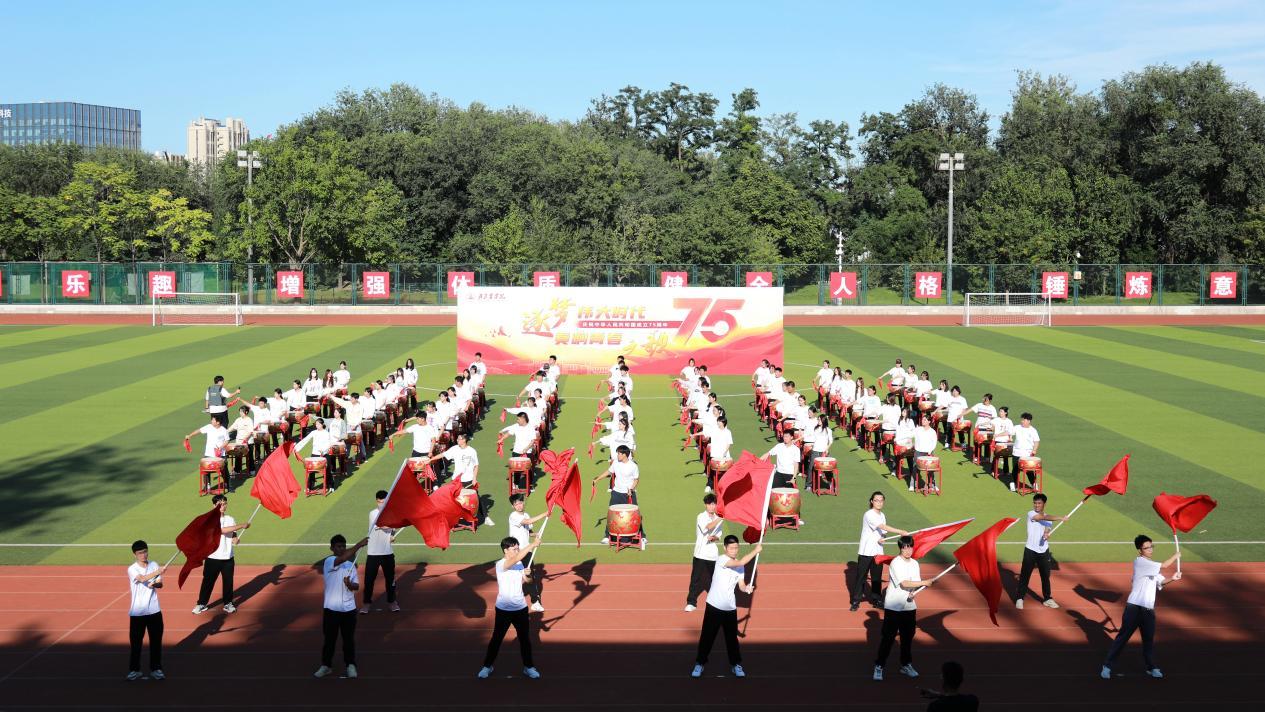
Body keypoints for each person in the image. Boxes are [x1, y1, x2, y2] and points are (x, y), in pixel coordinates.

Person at [1101, 535, 1182, 680]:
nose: (1150, 549)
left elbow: (1161, 582)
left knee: (1148, 640)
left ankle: (1151, 667)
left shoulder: (1151, 566)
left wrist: (1173, 579)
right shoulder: (1140, 562)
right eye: (1146, 547)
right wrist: (1175, 556)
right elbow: (1164, 565)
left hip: (1148, 610)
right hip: (1134, 608)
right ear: (1140, 550)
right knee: (1122, 638)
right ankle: (1107, 666)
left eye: (1151, 546)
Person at [690, 536, 760, 679]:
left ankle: (736, 664)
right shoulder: (721, 560)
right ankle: (700, 663)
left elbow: (741, 585)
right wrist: (755, 551)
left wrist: (746, 588)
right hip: (714, 606)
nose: (734, 550)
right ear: (725, 548)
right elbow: (741, 561)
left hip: (730, 608)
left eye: (736, 548)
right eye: (731, 548)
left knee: (731, 639)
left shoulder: (740, 567)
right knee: (707, 637)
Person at [872, 535, 938, 681]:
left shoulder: (914, 564)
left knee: (907, 638)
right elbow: (904, 583)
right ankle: (879, 665)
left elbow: (915, 584)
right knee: (888, 638)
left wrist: (925, 585)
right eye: (904, 548)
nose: (908, 551)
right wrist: (924, 582)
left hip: (909, 606)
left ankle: (906, 664)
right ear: (900, 548)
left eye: (910, 547)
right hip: (894, 606)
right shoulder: (896, 563)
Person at [478, 534, 543, 679]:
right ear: (505, 550)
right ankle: (487, 666)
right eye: (514, 549)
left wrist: (528, 575)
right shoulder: (501, 564)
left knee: (524, 640)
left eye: (518, 548)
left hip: (520, 608)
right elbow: (515, 559)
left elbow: (529, 581)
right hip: (503, 609)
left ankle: (528, 667)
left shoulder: (519, 564)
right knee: (497, 639)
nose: (517, 551)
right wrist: (532, 545)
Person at [315, 534, 368, 679]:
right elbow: (342, 558)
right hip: (331, 609)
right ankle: (326, 666)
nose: (342, 548)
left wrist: (350, 584)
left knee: (348, 640)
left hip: (349, 610)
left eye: (344, 546)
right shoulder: (329, 561)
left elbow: (356, 586)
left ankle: (350, 665)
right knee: (329, 640)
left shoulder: (351, 565)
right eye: (339, 546)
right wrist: (359, 544)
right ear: (332, 548)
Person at [192, 495, 250, 614]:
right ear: (214, 505)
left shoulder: (230, 519)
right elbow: (221, 530)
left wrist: (235, 540)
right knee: (208, 582)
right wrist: (241, 525)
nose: (223, 506)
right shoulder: (209, 519)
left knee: (228, 582)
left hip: (228, 557)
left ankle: (228, 603)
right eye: (220, 504)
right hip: (213, 557)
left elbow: (233, 535)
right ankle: (201, 603)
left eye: (224, 504)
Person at [851, 491, 909, 611]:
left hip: (878, 552)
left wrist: (883, 538)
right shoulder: (869, 514)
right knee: (861, 577)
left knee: (876, 577)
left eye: (881, 500)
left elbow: (883, 532)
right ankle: (856, 601)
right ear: (872, 501)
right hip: (866, 552)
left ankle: (876, 600)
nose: (879, 502)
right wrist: (900, 532)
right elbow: (882, 526)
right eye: (876, 500)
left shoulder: (882, 515)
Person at [418, 433, 492, 526]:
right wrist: (430, 460)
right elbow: (443, 454)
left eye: (459, 439)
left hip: (468, 479)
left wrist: (474, 478)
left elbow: (476, 466)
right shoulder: (454, 449)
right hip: (456, 480)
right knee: (453, 499)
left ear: (464, 440)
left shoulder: (472, 451)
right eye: (457, 439)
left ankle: (486, 517)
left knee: (476, 498)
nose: (457, 440)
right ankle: (452, 519)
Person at [1015, 493, 1068, 610]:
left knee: (1045, 576)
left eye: (1039, 503)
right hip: (1030, 550)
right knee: (1025, 575)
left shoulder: (1049, 520)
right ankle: (1020, 598)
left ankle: (1047, 599)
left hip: (1043, 551)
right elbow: (1041, 518)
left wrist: (1046, 534)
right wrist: (1061, 518)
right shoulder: (1031, 514)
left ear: (1044, 504)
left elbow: (1047, 529)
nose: (1036, 505)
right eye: (1035, 503)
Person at [593, 445, 646, 549]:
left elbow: (636, 479)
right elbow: (609, 472)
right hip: (616, 493)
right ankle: (607, 536)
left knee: (635, 515)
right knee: (611, 514)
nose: (617, 455)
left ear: (625, 455)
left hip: (629, 494)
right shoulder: (616, 463)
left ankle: (642, 536)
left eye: (619, 453)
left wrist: (631, 489)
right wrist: (597, 479)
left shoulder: (633, 466)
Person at [127, 540, 166, 681]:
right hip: (137, 613)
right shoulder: (132, 569)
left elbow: (160, 584)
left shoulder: (153, 564)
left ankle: (156, 669)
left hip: (154, 611)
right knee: (136, 643)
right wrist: (157, 572)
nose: (143, 555)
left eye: (145, 552)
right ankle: (134, 670)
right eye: (140, 553)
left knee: (156, 642)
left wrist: (155, 583)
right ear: (135, 554)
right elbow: (142, 578)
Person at [361, 490, 400, 614]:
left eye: (383, 502)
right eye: (379, 502)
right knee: (369, 580)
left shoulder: (392, 513)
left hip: (387, 553)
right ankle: (366, 604)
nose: (381, 504)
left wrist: (391, 535)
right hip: (373, 553)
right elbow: (383, 525)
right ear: (376, 501)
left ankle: (392, 602)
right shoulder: (373, 513)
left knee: (390, 580)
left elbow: (392, 529)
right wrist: (397, 523)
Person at [508, 494, 547, 613]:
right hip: (515, 552)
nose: (519, 506)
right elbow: (528, 521)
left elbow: (528, 531)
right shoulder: (513, 516)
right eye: (516, 504)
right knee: (515, 576)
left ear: (523, 503)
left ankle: (535, 602)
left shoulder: (526, 514)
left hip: (527, 550)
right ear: (513, 506)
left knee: (530, 576)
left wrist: (536, 534)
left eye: (520, 503)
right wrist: (545, 514)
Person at [686, 494, 724, 612]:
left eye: (713, 504)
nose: (712, 506)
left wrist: (714, 538)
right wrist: (720, 518)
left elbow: (719, 535)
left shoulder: (718, 518)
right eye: (709, 504)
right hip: (700, 553)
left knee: (715, 579)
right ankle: (691, 602)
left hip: (713, 554)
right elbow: (706, 528)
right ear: (705, 505)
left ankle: (717, 602)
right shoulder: (701, 516)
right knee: (695, 579)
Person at [1011, 412, 1041, 493]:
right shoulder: (1017, 427)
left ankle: (1033, 484)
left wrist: (1034, 450)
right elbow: (1009, 432)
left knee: (1029, 470)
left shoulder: (1033, 430)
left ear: (1028, 421)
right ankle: (1014, 484)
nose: (1022, 421)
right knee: (1015, 470)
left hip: (1027, 454)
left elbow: (1036, 441)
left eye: (1024, 420)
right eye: (1022, 420)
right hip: (1016, 452)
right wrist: (998, 435)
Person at [912, 414, 939, 492]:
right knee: (915, 468)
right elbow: (910, 434)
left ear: (929, 422)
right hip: (918, 452)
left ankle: (933, 484)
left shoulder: (932, 431)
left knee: (931, 469)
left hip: (928, 453)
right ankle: (912, 484)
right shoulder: (918, 429)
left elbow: (934, 442)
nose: (922, 421)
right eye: (922, 419)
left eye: (925, 420)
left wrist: (930, 450)